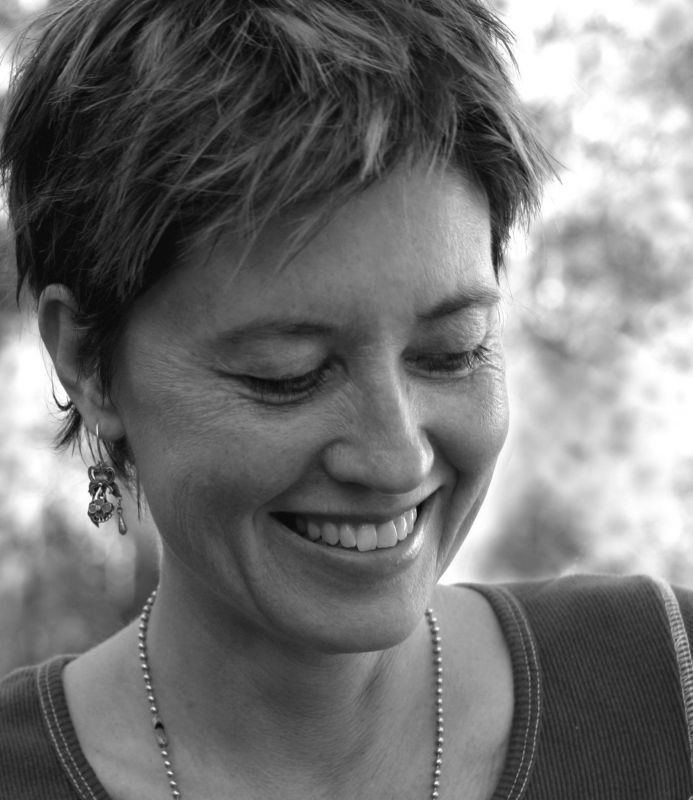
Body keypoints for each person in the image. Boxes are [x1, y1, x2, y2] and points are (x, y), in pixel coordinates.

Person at [1, 0, 692, 798]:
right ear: (88, 362)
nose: (396, 459)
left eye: (451, 352)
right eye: (285, 373)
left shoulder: (665, 690)